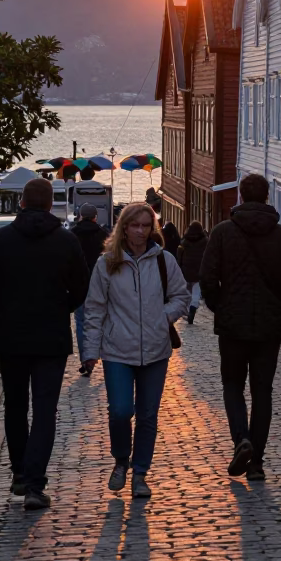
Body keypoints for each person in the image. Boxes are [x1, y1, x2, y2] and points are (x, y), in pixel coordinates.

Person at [0, 177, 89, 511]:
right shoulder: (66, 242)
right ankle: (35, 483)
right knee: (44, 411)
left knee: (15, 407)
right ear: (51, 203)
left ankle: (20, 473)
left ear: (22, 202)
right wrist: (60, 306)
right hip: (50, 338)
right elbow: (81, 288)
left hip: (10, 338)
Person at [200, 173, 281, 482]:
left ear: (241, 197)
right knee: (262, 391)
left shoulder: (222, 233)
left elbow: (208, 276)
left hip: (232, 325)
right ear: (267, 197)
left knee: (232, 385)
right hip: (269, 328)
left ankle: (240, 440)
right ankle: (256, 462)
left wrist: (220, 305)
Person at [82, 202, 189, 499]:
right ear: (124, 228)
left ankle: (140, 473)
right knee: (120, 411)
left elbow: (181, 296)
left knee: (147, 416)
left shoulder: (164, 261)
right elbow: (94, 309)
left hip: (156, 351)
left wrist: (163, 316)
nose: (140, 231)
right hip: (117, 350)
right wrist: (89, 350)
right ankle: (120, 460)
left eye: (145, 226)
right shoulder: (107, 263)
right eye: (135, 225)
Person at [70, 204, 108, 374]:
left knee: (81, 322)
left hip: (79, 284)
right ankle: (98, 356)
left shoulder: (72, 235)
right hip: (100, 284)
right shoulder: (103, 235)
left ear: (80, 216)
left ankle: (85, 358)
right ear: (95, 216)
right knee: (102, 321)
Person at [176, 221, 208, 324]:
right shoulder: (205, 242)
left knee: (187, 292)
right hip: (199, 271)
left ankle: (188, 311)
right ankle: (192, 310)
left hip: (186, 271)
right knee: (196, 293)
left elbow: (179, 256)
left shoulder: (184, 241)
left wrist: (179, 267)